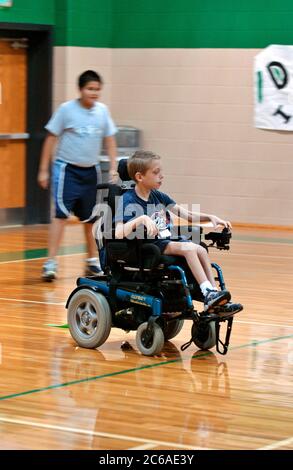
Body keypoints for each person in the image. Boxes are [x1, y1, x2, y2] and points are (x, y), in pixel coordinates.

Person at [115, 150, 235, 313]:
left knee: (199, 248)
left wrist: (211, 217)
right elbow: (118, 232)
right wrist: (141, 219)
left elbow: (188, 215)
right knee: (189, 248)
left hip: (164, 240)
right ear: (139, 177)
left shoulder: (158, 196)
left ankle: (214, 294)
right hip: (147, 245)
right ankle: (207, 292)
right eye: (156, 172)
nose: (161, 176)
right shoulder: (128, 200)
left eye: (161, 172)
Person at [38, 70, 118, 281]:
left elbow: (110, 140)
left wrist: (112, 166)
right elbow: (50, 138)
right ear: (81, 89)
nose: (94, 93)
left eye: (97, 89)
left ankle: (92, 261)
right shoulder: (66, 110)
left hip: (90, 171)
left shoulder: (102, 111)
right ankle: (51, 262)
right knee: (61, 216)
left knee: (91, 218)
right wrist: (44, 170)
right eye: (90, 89)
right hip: (67, 170)